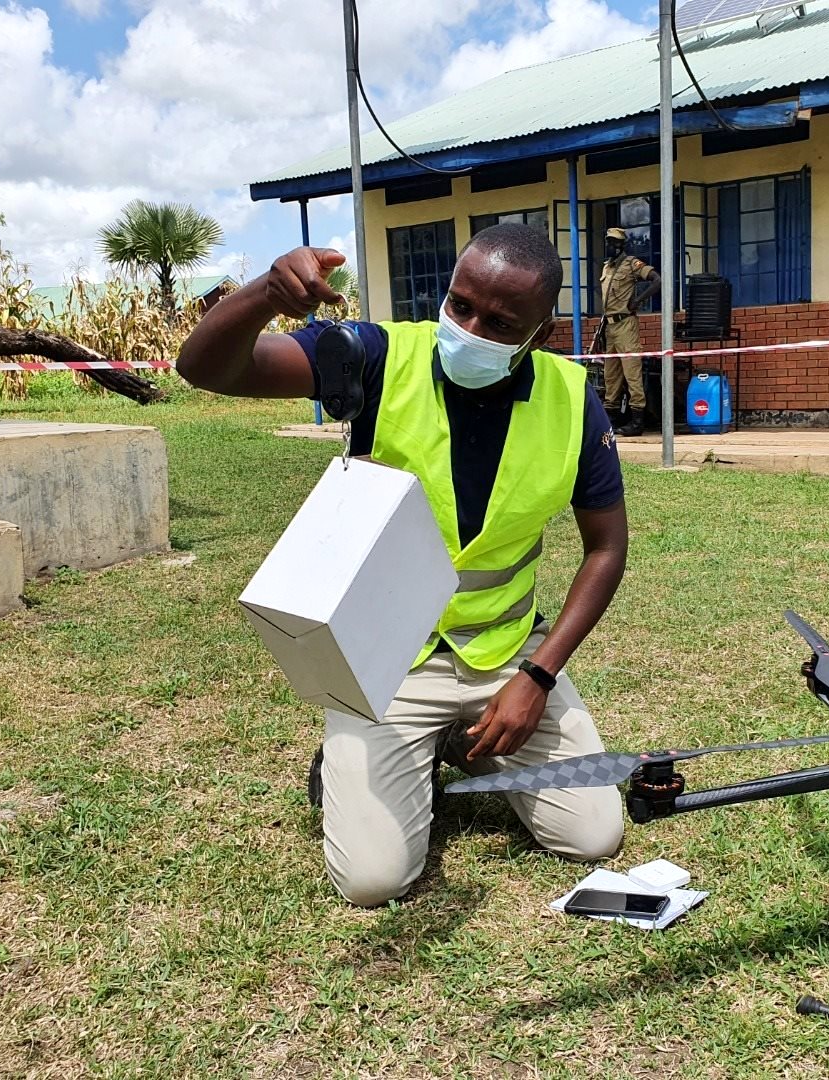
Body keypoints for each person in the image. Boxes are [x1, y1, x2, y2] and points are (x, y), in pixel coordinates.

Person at [177, 224, 628, 906]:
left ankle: (453, 742)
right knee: (373, 881)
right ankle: (352, 757)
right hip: (387, 659)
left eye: (502, 323)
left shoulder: (572, 399)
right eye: (460, 304)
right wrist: (269, 291)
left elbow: (606, 548)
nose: (471, 328)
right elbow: (207, 369)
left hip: (508, 656)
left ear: (540, 335)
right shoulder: (377, 357)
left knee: (593, 835)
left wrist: (538, 675)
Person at [597, 226, 660, 437]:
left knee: (632, 373)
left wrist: (639, 301)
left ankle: (637, 422)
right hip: (610, 326)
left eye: (614, 242)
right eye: (608, 242)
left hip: (626, 324)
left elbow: (657, 280)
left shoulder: (631, 263)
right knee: (610, 376)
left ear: (622, 245)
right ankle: (610, 421)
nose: (610, 246)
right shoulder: (606, 267)